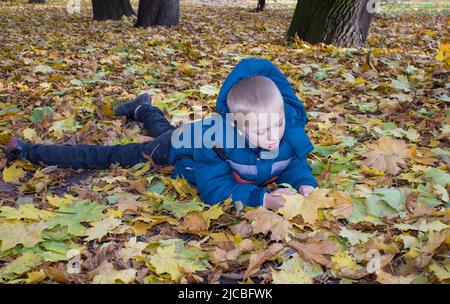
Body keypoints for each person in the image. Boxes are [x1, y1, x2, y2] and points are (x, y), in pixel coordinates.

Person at [5, 58, 317, 210]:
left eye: (276, 124)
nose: (274, 135)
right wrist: (261, 199)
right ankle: (30, 150)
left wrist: (304, 184)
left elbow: (292, 161)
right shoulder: (218, 144)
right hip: (178, 147)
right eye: (262, 131)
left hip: (186, 136)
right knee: (115, 156)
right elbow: (214, 190)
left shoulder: (284, 130)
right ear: (235, 126)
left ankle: (142, 108)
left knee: (166, 129)